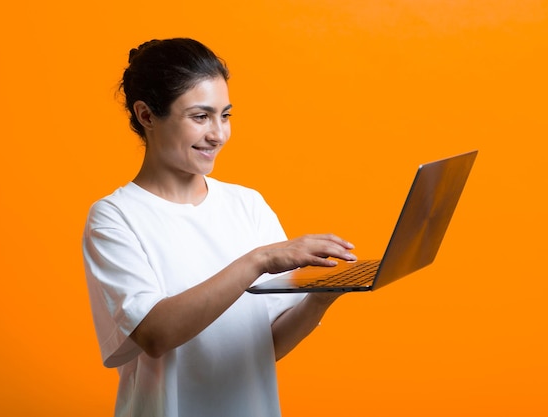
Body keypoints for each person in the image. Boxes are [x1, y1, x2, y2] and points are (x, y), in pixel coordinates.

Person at [82, 38, 357, 417]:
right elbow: (155, 334)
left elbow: (266, 346)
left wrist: (321, 298)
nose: (218, 134)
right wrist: (258, 260)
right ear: (146, 116)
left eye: (225, 115)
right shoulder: (115, 218)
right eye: (200, 117)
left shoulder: (248, 205)